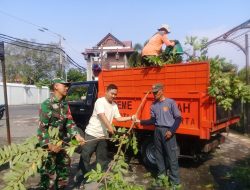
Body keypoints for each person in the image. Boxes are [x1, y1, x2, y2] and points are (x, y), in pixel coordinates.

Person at [37, 78, 85, 190]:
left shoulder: (64, 104)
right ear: (56, 87)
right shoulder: (47, 104)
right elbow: (42, 129)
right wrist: (50, 145)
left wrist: (77, 136)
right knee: (48, 174)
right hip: (49, 147)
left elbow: (69, 122)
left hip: (62, 143)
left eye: (67, 86)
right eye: (64, 85)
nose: (67, 88)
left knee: (64, 170)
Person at [79, 84, 134, 180]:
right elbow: (101, 115)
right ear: (106, 92)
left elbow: (118, 118)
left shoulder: (114, 105)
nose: (114, 96)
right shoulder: (100, 101)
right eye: (112, 93)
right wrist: (110, 127)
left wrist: (131, 118)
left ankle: (100, 175)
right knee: (86, 155)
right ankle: (83, 177)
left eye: (115, 94)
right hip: (92, 133)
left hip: (103, 135)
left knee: (102, 157)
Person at [134, 83, 182, 186]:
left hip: (168, 131)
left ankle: (175, 182)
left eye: (156, 92)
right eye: (153, 92)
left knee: (172, 157)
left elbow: (178, 118)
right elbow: (152, 120)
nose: (154, 94)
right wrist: (140, 121)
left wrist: (171, 131)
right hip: (157, 131)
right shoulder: (154, 105)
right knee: (158, 155)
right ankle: (161, 177)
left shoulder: (170, 103)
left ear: (162, 91)